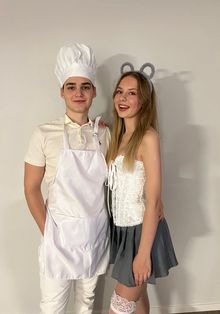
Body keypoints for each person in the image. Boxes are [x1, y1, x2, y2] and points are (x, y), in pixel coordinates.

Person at [24, 43, 111, 314]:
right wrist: (48, 232)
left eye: (85, 86)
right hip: (58, 239)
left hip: (94, 235)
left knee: (86, 303)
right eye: (71, 86)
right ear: (61, 91)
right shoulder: (44, 133)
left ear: (94, 91)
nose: (78, 93)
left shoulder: (104, 134)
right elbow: (30, 189)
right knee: (52, 307)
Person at [106, 63, 178, 314]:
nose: (123, 98)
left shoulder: (148, 138)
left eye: (132, 93)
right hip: (123, 231)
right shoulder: (116, 137)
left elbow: (153, 200)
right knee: (137, 301)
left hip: (142, 232)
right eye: (119, 91)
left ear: (144, 101)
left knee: (119, 306)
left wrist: (143, 254)